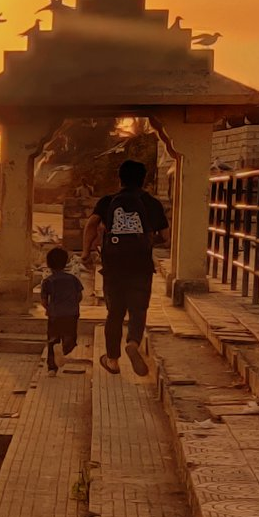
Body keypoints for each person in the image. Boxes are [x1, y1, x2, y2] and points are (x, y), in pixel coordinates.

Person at [84, 158, 169, 376]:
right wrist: (148, 240)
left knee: (114, 313)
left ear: (119, 178)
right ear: (144, 180)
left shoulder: (108, 201)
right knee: (138, 310)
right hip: (140, 265)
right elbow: (166, 237)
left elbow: (91, 224)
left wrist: (86, 251)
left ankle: (112, 360)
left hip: (114, 266)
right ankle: (133, 342)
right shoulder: (152, 203)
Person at [39, 245, 83, 373]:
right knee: (70, 338)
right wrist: (72, 305)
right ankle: (64, 348)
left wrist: (49, 308)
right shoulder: (73, 279)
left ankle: (52, 368)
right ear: (66, 263)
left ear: (48, 264)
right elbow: (79, 296)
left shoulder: (47, 281)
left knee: (52, 340)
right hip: (71, 314)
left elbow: (43, 301)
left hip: (55, 315)